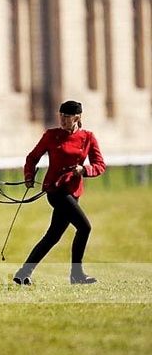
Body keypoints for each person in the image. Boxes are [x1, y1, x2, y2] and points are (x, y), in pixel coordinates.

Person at [13, 100, 106, 285]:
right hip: (56, 191)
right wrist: (29, 175)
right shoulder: (51, 135)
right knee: (85, 227)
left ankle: (23, 273)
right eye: (61, 116)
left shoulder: (88, 137)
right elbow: (32, 158)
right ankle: (76, 275)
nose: (63, 120)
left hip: (74, 192)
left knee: (53, 236)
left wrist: (84, 170)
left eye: (67, 116)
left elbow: (100, 165)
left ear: (77, 117)